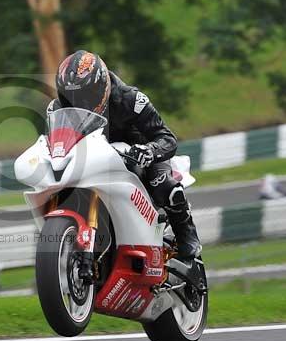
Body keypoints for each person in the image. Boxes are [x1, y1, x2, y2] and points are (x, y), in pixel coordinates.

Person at [48, 50, 202, 263]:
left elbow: (167, 138)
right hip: (93, 159)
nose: (79, 102)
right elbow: (56, 142)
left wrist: (149, 151)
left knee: (164, 186)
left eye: (85, 95)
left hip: (136, 155)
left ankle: (187, 235)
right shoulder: (57, 109)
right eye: (71, 96)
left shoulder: (131, 99)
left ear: (101, 87)